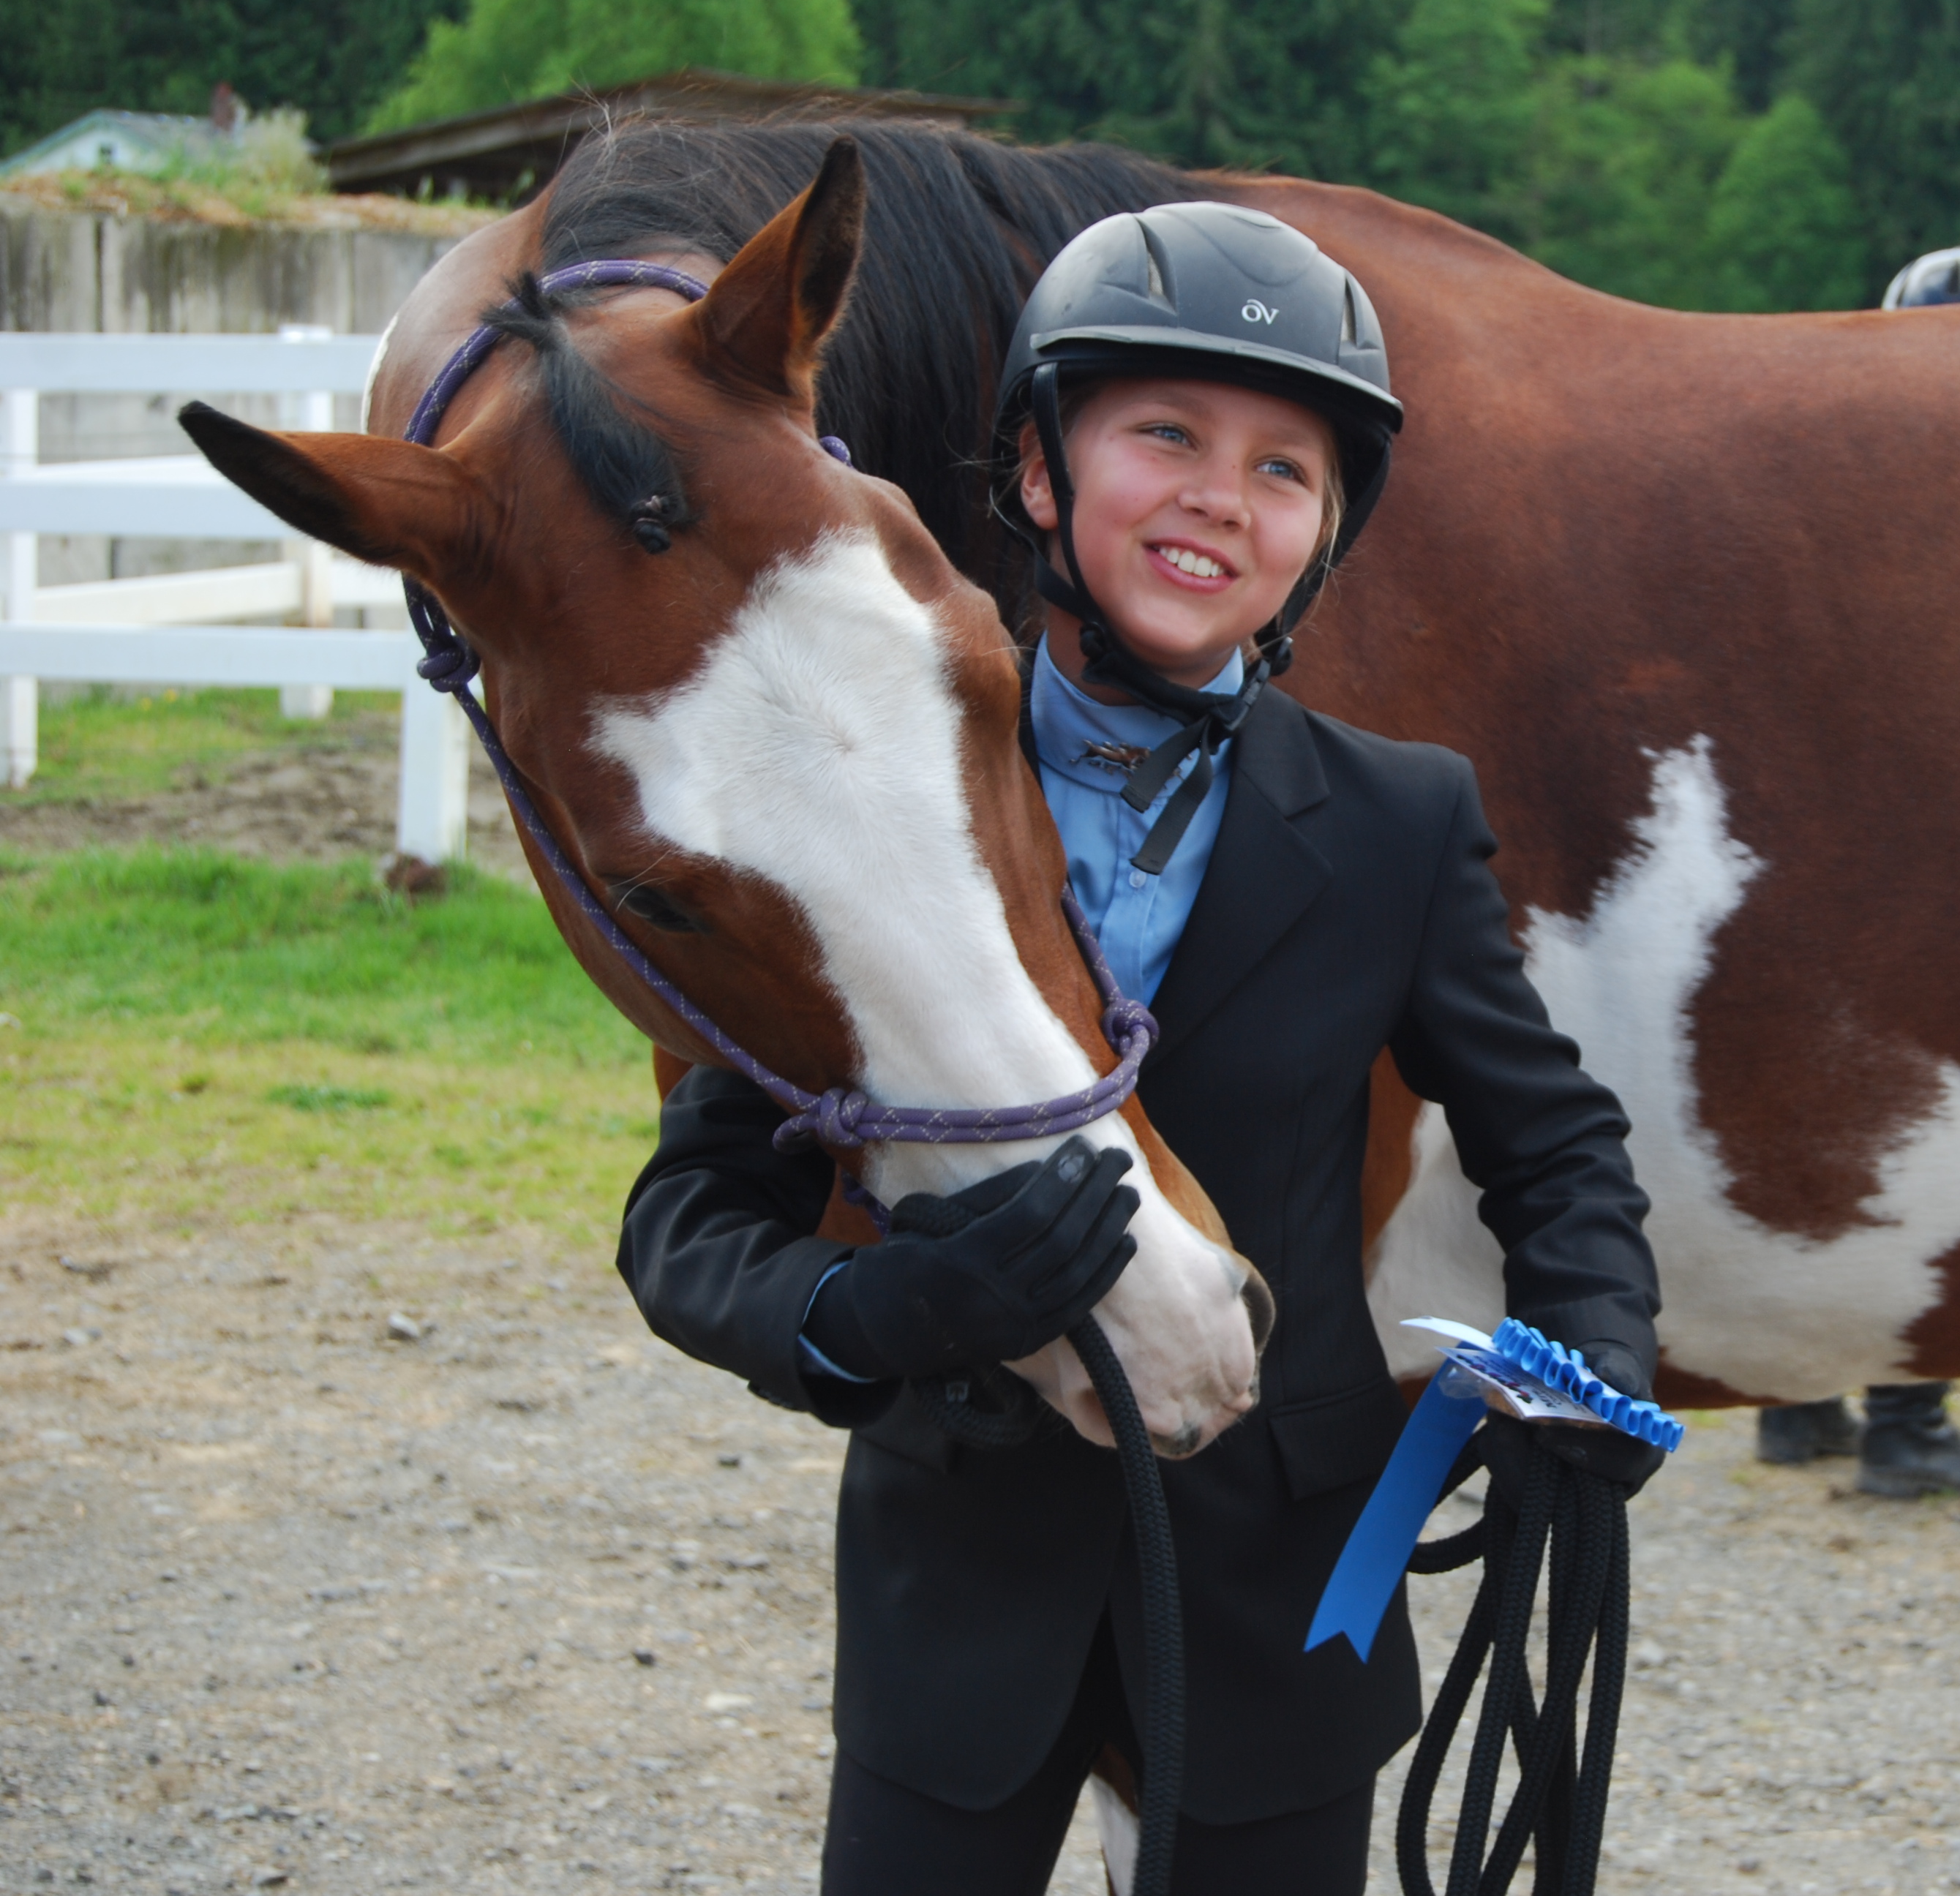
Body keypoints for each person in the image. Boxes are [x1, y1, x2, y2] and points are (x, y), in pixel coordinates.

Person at [615, 200, 1664, 1895]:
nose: (1214, 498)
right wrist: (868, 1314)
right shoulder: (889, 796)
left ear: (1322, 531)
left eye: (1280, 470)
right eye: (1162, 436)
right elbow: (687, 1224)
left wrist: (1597, 1331)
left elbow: (1552, 1141)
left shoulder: (1400, 823)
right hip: (960, 1585)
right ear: (1037, 474)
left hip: (1281, 1582)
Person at [1750, 244, 1960, 1502]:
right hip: (1912, 860)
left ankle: (1798, 1399)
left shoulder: (1827, 480)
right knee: (1918, 1124)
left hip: (1800, 855)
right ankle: (1908, 1421)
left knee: (1804, 1112)